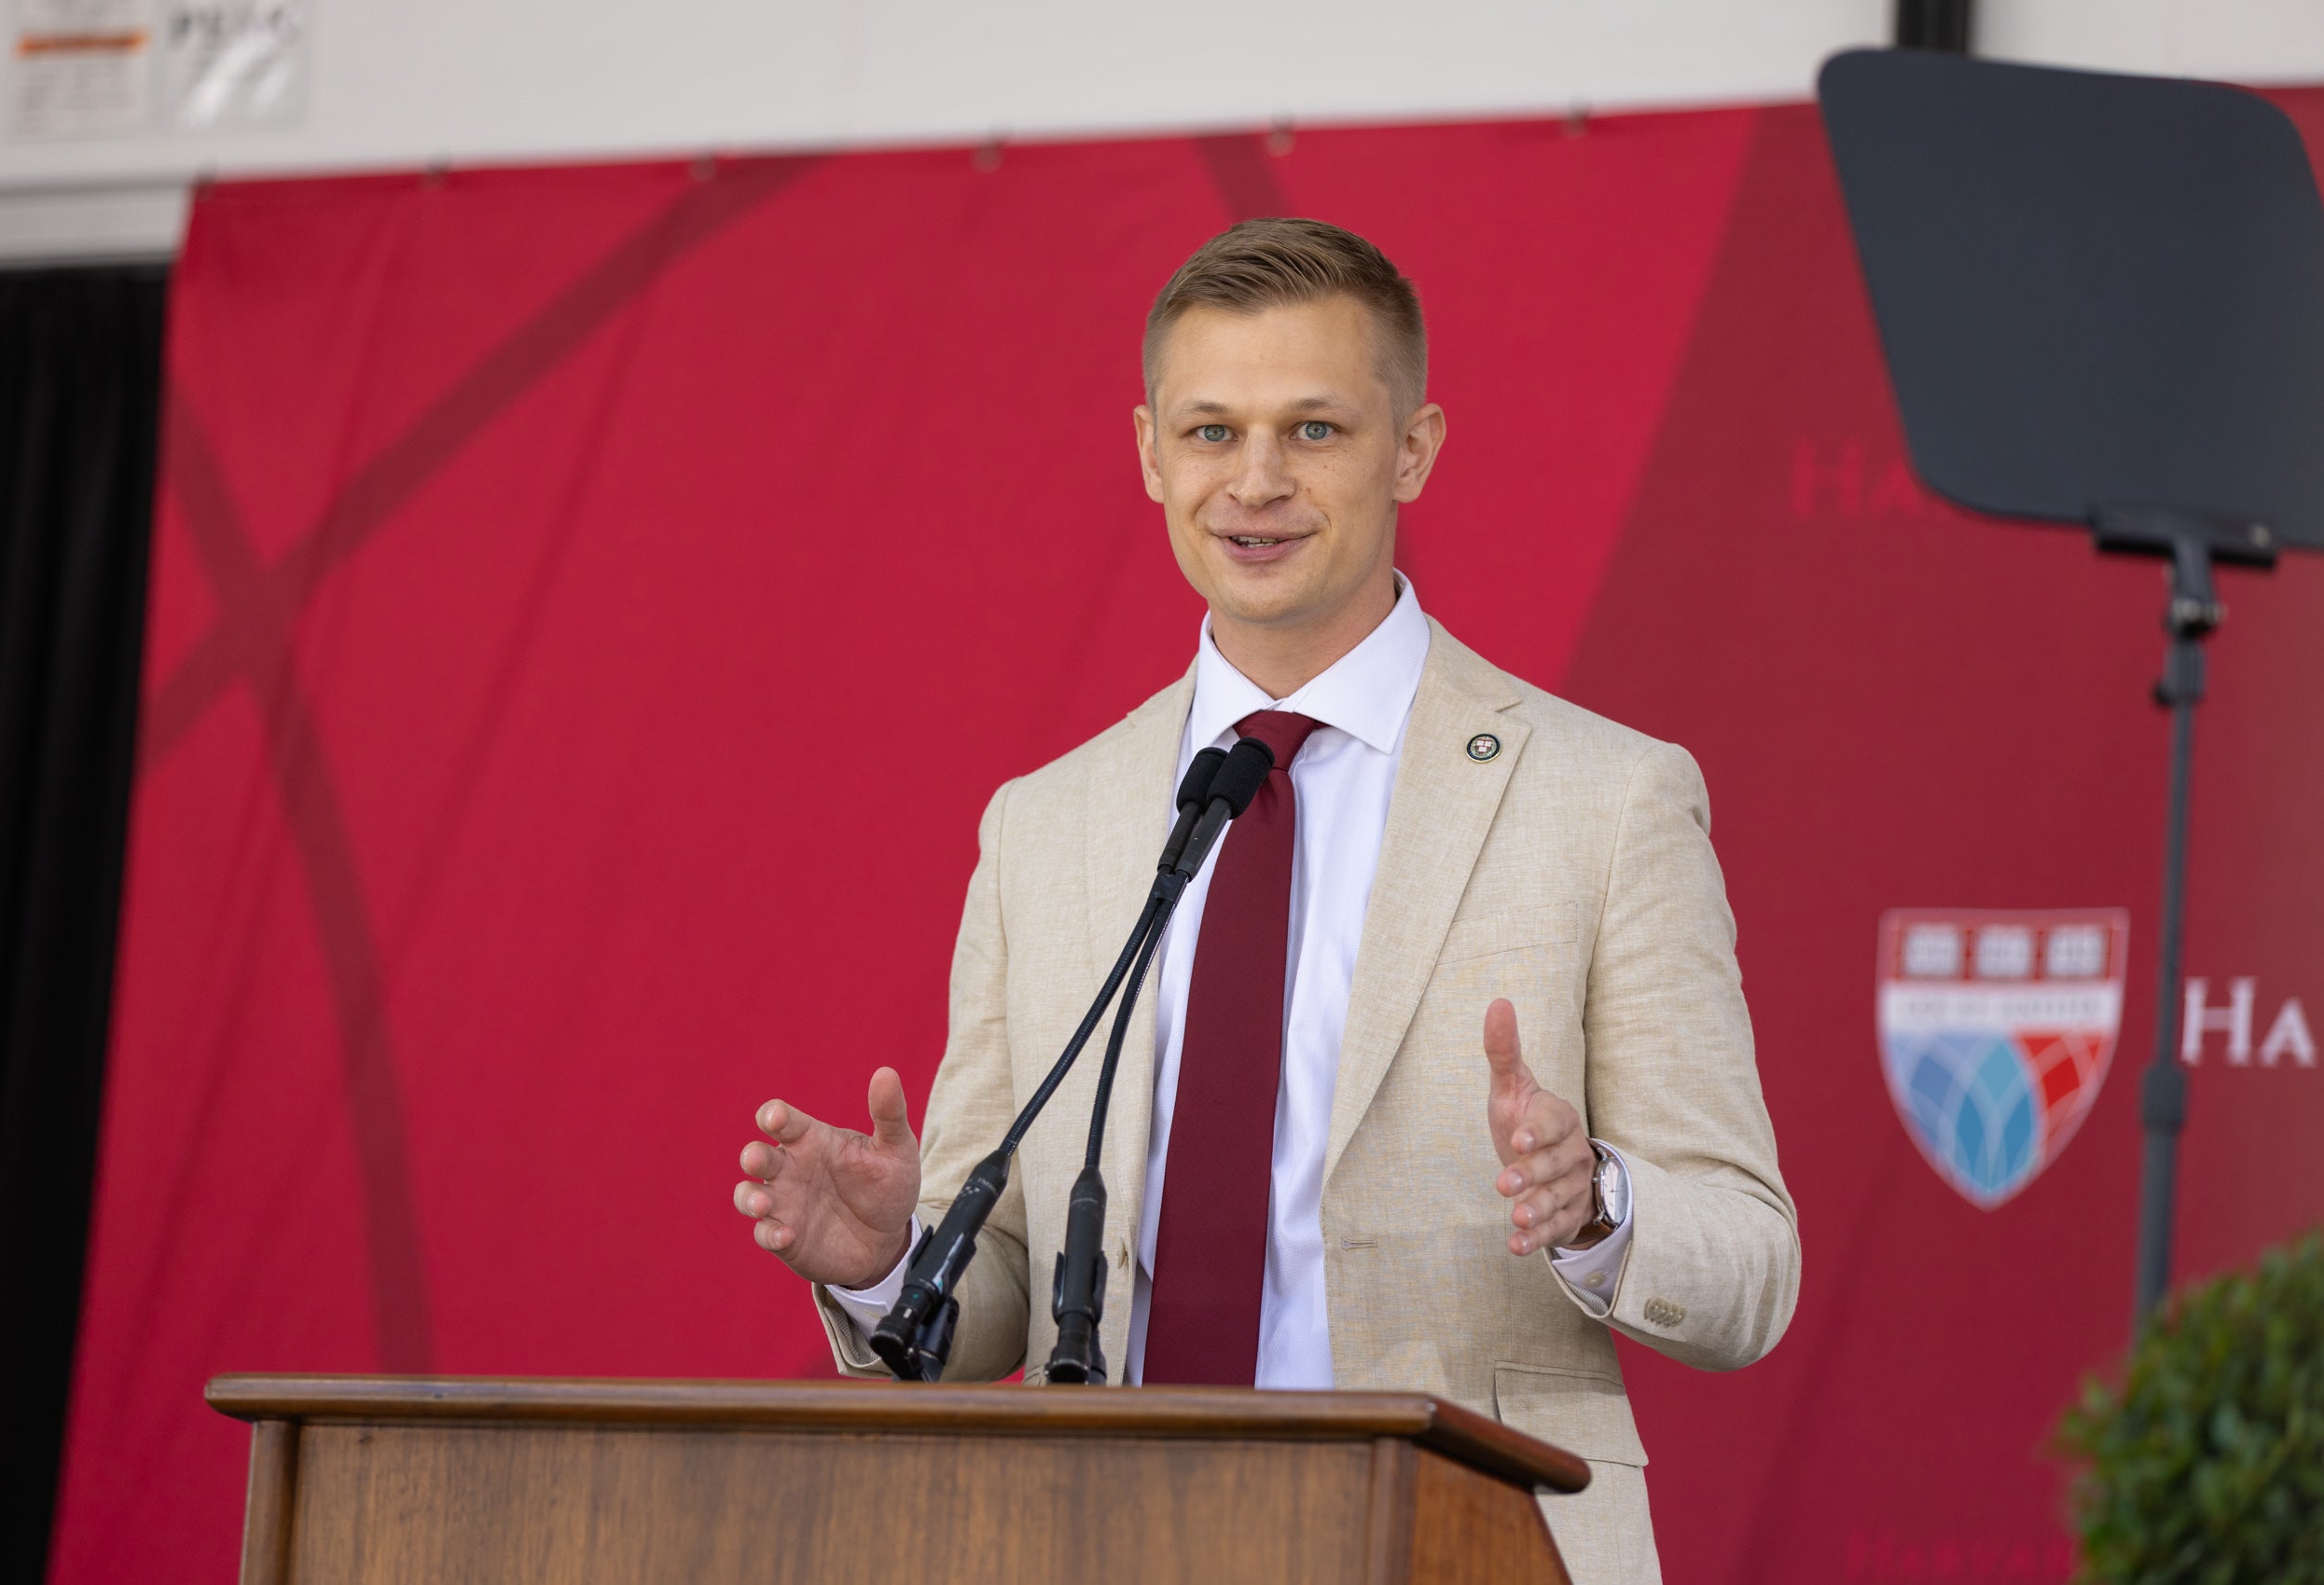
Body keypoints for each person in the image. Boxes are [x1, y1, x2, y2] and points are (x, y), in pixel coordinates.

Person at [734, 217, 1799, 1585]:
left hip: (1462, 1548)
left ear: (1408, 449)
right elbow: (988, 1302)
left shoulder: (1606, 800)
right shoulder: (1043, 827)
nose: (1254, 482)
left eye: (1312, 431)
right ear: (1145, 453)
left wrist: (1592, 1203)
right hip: (1105, 1545)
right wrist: (888, 1262)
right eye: (1210, 431)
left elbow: (1748, 1272)